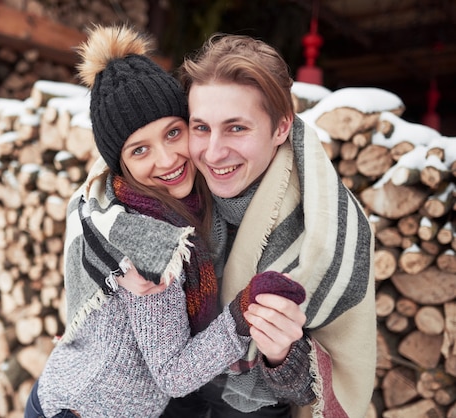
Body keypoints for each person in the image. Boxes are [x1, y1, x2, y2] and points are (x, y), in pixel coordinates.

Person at [23, 25, 307, 418]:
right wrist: (244, 310)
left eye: (174, 132)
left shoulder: (146, 206)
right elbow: (174, 374)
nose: (167, 159)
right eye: (140, 150)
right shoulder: (150, 245)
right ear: (120, 164)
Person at [157, 34, 377, 418]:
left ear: (280, 128)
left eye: (237, 128)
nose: (213, 152)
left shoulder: (328, 227)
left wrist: (281, 356)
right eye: (201, 127)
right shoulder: (165, 189)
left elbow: (311, 392)